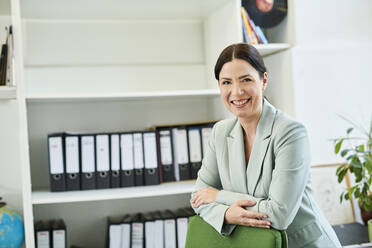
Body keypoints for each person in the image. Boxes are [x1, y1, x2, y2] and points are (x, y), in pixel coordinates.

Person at [190, 43, 341, 248]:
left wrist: (218, 196)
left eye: (246, 80)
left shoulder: (290, 132)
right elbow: (198, 198)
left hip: (302, 244)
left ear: (264, 81)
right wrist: (226, 214)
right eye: (226, 82)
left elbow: (278, 215)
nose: (236, 91)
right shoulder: (220, 132)